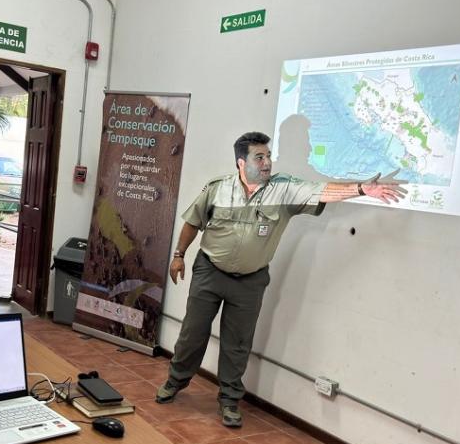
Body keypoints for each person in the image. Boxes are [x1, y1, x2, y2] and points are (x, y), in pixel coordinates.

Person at [156, 132, 406, 427]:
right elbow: (193, 222)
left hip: (250, 281)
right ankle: (175, 381)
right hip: (209, 271)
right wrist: (178, 254)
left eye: (268, 156)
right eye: (258, 157)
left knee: (238, 343)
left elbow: (322, 191)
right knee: (192, 333)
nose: (266, 163)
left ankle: (229, 400)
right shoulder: (218, 190)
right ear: (241, 162)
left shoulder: (283, 189)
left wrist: (362, 189)